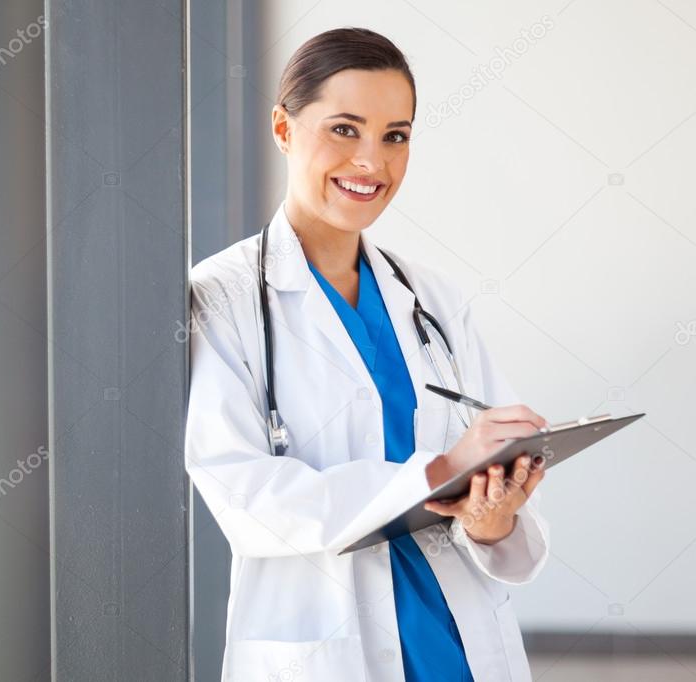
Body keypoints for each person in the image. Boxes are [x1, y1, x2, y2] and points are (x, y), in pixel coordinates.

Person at [185, 27, 551, 682]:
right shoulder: (223, 298)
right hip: (326, 654)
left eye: (395, 135)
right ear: (282, 128)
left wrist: (492, 516)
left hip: (458, 647)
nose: (372, 163)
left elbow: (485, 487)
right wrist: (436, 470)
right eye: (344, 129)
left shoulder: (432, 298)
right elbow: (244, 498)